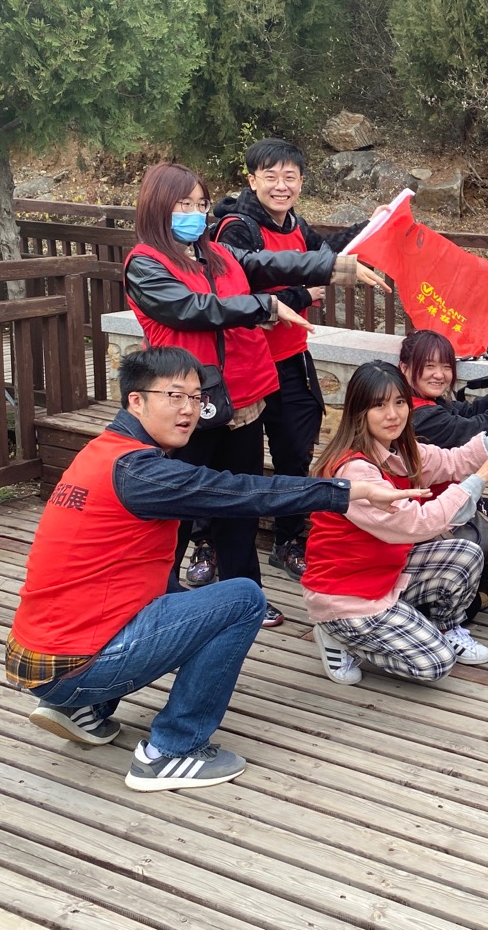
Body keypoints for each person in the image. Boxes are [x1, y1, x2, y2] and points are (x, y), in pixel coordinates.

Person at [6, 347, 424, 792]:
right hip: (74, 666)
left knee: (182, 596)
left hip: (41, 656)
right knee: (243, 599)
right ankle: (172, 750)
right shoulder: (140, 472)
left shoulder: (106, 452)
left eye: (196, 396)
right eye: (174, 396)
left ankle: (84, 709)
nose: (190, 409)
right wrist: (347, 491)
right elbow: (243, 492)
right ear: (136, 401)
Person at [123, 162, 381, 628]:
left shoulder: (219, 253)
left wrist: (337, 267)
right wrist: (265, 306)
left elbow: (273, 263)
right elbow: (192, 309)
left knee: (242, 502)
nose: (195, 214)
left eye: (200, 204)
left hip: (242, 399)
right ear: (157, 207)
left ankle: (245, 596)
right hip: (184, 405)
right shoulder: (146, 264)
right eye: (182, 205)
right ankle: (156, 596)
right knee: (176, 507)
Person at [301, 362, 488, 685]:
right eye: (379, 405)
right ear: (359, 411)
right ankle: (338, 635)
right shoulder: (353, 470)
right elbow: (415, 524)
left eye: (399, 402)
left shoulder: (401, 450)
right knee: (436, 664)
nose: (393, 414)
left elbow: (453, 460)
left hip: (384, 574)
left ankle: (444, 627)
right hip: (348, 596)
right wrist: (478, 480)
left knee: (465, 554)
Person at [211, 137, 379, 581]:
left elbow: (322, 256)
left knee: (295, 455)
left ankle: (287, 540)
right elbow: (240, 294)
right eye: (270, 176)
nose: (281, 185)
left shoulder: (295, 224)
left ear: (302, 182)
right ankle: (211, 547)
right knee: (232, 466)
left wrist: (371, 224)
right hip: (244, 368)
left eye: (290, 176)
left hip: (291, 361)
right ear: (252, 180)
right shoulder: (236, 228)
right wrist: (303, 294)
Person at [399, 326, 488, 532]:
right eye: (429, 366)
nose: (439, 375)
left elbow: (469, 411)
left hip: (440, 499)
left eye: (446, 366)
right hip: (423, 515)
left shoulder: (422, 401)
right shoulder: (419, 416)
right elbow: (476, 428)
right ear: (404, 368)